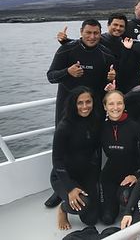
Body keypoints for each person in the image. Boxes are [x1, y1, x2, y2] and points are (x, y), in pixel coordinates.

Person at [50, 86, 101, 230]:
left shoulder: (95, 120)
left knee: (91, 219)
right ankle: (63, 208)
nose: (85, 107)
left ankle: (71, 198)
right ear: (74, 104)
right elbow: (57, 160)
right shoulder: (64, 127)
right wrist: (70, 188)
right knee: (80, 205)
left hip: (85, 174)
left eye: (88, 102)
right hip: (64, 176)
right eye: (80, 103)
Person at [47, 19, 116, 126]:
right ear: (81, 32)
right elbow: (51, 77)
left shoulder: (107, 54)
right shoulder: (66, 49)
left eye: (96, 33)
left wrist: (110, 79)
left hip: (93, 108)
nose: (92, 37)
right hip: (67, 108)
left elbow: (106, 85)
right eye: (88, 32)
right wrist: (68, 72)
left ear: (100, 33)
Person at [99, 90, 140, 225]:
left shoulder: (135, 127)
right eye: (111, 104)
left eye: (119, 103)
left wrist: (137, 175)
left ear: (124, 105)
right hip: (109, 175)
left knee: (125, 198)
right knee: (107, 219)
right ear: (105, 107)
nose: (115, 107)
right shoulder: (100, 127)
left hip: (131, 174)